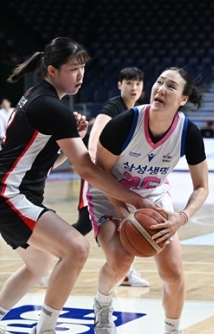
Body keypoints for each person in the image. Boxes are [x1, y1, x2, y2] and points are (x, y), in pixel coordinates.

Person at [0, 37, 155, 334]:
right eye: (72, 68)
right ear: (52, 70)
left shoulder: (39, 98)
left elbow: (42, 162)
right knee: (77, 249)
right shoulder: (51, 107)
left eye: (82, 67)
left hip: (4, 193)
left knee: (37, 267)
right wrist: (136, 199)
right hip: (9, 195)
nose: (80, 75)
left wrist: (70, 139)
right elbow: (87, 169)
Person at [88, 67, 209, 334]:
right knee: (120, 261)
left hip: (153, 198)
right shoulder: (126, 122)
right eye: (159, 83)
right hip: (108, 193)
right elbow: (98, 171)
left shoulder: (188, 132)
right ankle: (102, 302)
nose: (161, 89)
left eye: (171, 87)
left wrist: (182, 217)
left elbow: (202, 187)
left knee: (173, 272)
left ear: (182, 99)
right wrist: (122, 208)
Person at [72, 66, 149, 287]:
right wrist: (95, 169)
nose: (133, 88)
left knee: (124, 221)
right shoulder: (113, 107)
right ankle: (46, 249)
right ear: (120, 85)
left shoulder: (135, 110)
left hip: (118, 177)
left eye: (137, 84)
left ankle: (125, 271)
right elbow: (95, 137)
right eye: (129, 83)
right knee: (86, 222)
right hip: (99, 175)